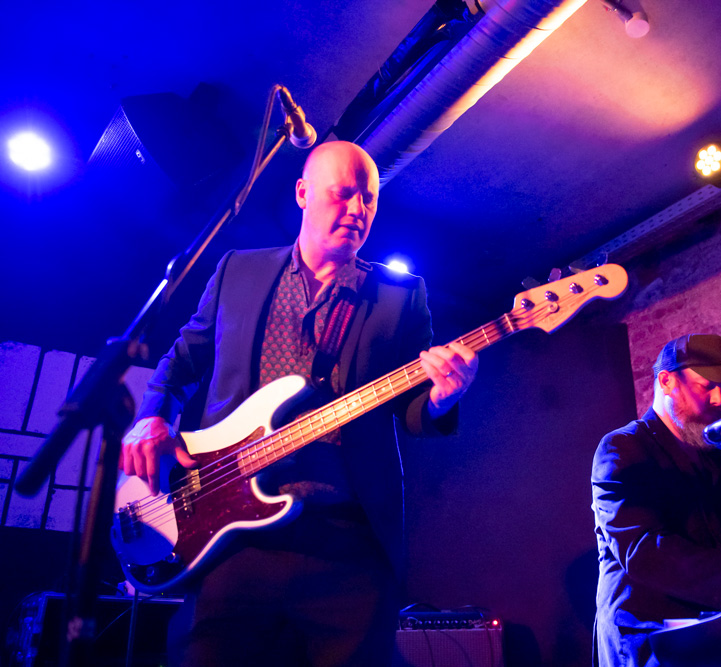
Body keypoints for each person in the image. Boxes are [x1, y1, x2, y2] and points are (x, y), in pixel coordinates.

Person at [118, 141, 478, 666]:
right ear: (303, 194)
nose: (359, 210)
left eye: (370, 200)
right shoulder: (237, 271)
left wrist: (444, 398)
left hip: (346, 544)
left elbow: (415, 411)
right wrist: (153, 417)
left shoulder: (403, 297)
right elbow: (184, 359)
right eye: (344, 194)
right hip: (230, 538)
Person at [591, 333, 721, 667]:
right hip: (650, 639)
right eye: (708, 386)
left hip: (713, 631)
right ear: (666, 381)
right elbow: (646, 551)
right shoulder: (623, 449)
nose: (719, 400)